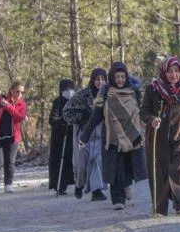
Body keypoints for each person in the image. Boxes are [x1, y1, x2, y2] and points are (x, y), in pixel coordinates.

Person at [79, 62, 147, 210]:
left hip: (132, 136)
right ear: (112, 77)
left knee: (128, 166)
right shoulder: (105, 93)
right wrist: (85, 136)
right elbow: (96, 116)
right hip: (113, 138)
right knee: (116, 169)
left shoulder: (134, 92)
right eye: (117, 77)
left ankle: (127, 185)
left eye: (123, 77)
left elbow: (142, 113)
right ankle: (118, 199)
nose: (120, 80)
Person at [140, 56, 180, 216]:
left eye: (176, 71)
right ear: (164, 72)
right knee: (160, 172)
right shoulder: (153, 89)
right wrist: (151, 120)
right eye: (170, 71)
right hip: (158, 138)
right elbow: (143, 111)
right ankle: (159, 208)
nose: (173, 75)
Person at [64, 68, 109, 201]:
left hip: (101, 133)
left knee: (98, 161)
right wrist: (81, 117)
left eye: (103, 79)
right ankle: (79, 184)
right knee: (81, 165)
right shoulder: (82, 95)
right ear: (92, 80)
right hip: (83, 134)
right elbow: (66, 112)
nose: (100, 82)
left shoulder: (109, 94)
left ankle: (97, 191)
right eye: (97, 79)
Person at [0, 81, 27, 193]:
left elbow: (19, 117)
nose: (19, 94)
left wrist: (8, 106)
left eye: (21, 92)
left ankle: (8, 184)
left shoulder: (22, 104)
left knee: (10, 162)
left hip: (12, 137)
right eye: (17, 91)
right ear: (11, 90)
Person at [48, 79, 76, 195]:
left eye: (71, 89)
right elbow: (52, 119)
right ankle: (59, 185)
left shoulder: (76, 101)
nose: (69, 92)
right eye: (66, 89)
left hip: (73, 136)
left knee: (74, 161)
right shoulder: (57, 102)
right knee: (60, 161)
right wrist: (62, 121)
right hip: (60, 138)